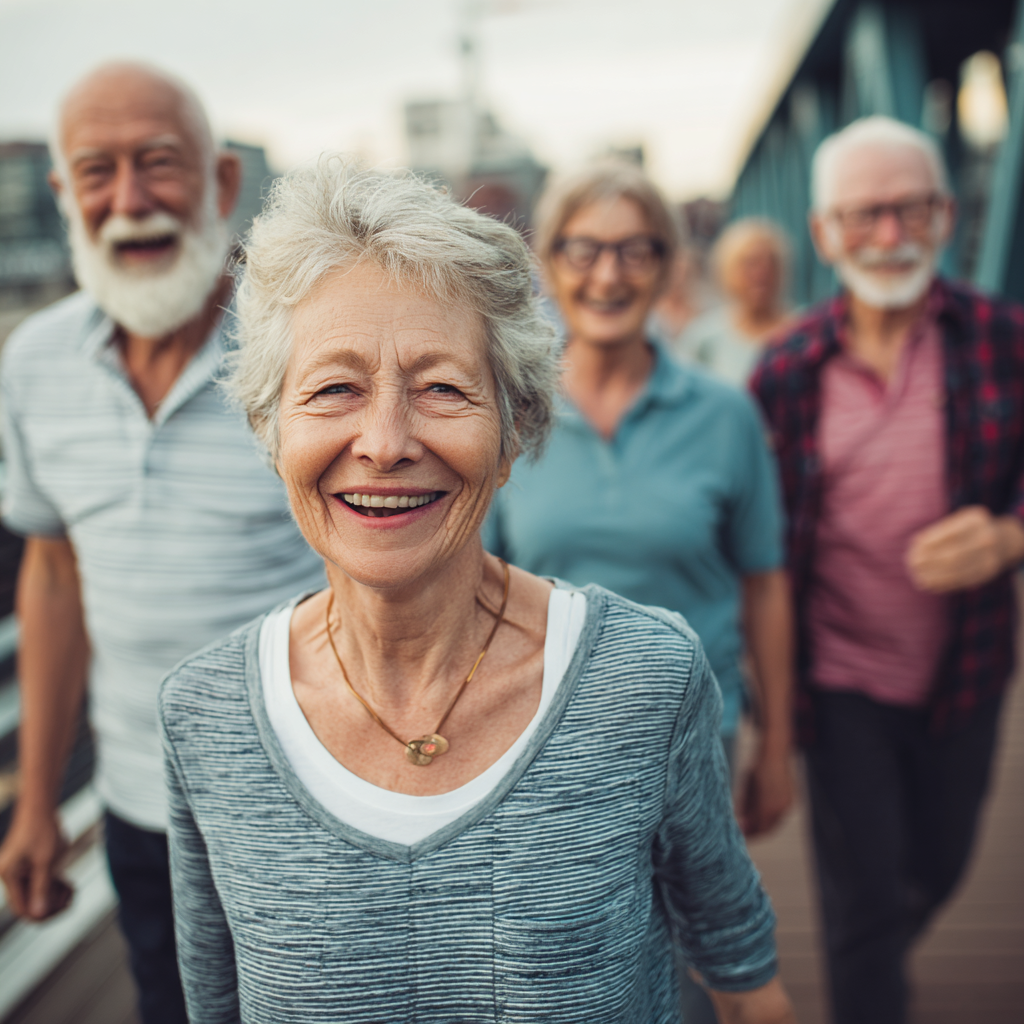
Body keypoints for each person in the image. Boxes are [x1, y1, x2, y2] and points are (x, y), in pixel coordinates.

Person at [159, 158, 797, 1024]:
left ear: (512, 434)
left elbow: (744, 974)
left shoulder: (649, 677)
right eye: (335, 387)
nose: (384, 441)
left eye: (442, 389)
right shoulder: (204, 715)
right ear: (272, 430)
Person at [0, 63, 323, 1024]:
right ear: (64, 195)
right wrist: (37, 806)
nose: (129, 200)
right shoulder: (33, 363)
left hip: (314, 805)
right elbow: (54, 579)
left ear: (223, 184)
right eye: (97, 171)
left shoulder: (301, 348)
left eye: (159, 164)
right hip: (144, 809)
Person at [481, 162, 794, 1023]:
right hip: (542, 745)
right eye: (583, 249)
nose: (608, 273)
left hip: (702, 735)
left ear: (667, 267)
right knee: (571, 966)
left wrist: (778, 743)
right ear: (548, 263)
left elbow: (765, 583)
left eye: (634, 250)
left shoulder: (725, 415)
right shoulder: (508, 418)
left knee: (699, 962)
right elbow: (480, 589)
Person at [751, 115, 1024, 1024]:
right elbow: (755, 539)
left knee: (941, 866)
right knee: (862, 901)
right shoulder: (784, 371)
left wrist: (1010, 535)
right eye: (865, 215)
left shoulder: (1003, 338)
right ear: (825, 233)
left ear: (948, 215)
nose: (891, 236)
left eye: (911, 210)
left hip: (968, 668)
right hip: (838, 684)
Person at [681, 218, 791, 387]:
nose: (761, 274)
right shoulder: (704, 339)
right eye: (750, 264)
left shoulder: (803, 333)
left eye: (771, 263)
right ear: (727, 270)